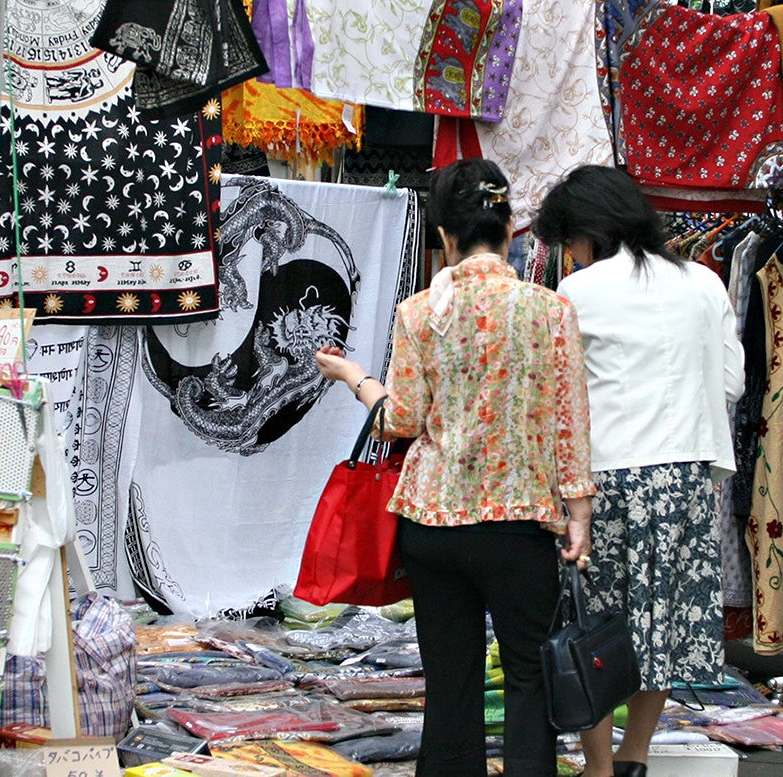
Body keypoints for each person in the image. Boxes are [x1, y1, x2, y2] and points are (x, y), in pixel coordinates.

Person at [314, 158, 595, 777]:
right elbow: (569, 421)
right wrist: (579, 513)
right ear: (511, 227)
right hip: (518, 523)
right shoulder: (550, 310)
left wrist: (354, 378)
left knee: (450, 685)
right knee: (529, 680)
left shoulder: (419, 312)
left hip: (432, 523)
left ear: (445, 234)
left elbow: (403, 419)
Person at [532, 165, 743, 777]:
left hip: (608, 481)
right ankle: (635, 756)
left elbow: (557, 399)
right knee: (667, 619)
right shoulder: (704, 281)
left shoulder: (578, 293)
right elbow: (731, 382)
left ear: (586, 232)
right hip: (683, 480)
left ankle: (597, 767)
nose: (569, 253)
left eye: (568, 239)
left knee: (594, 626)